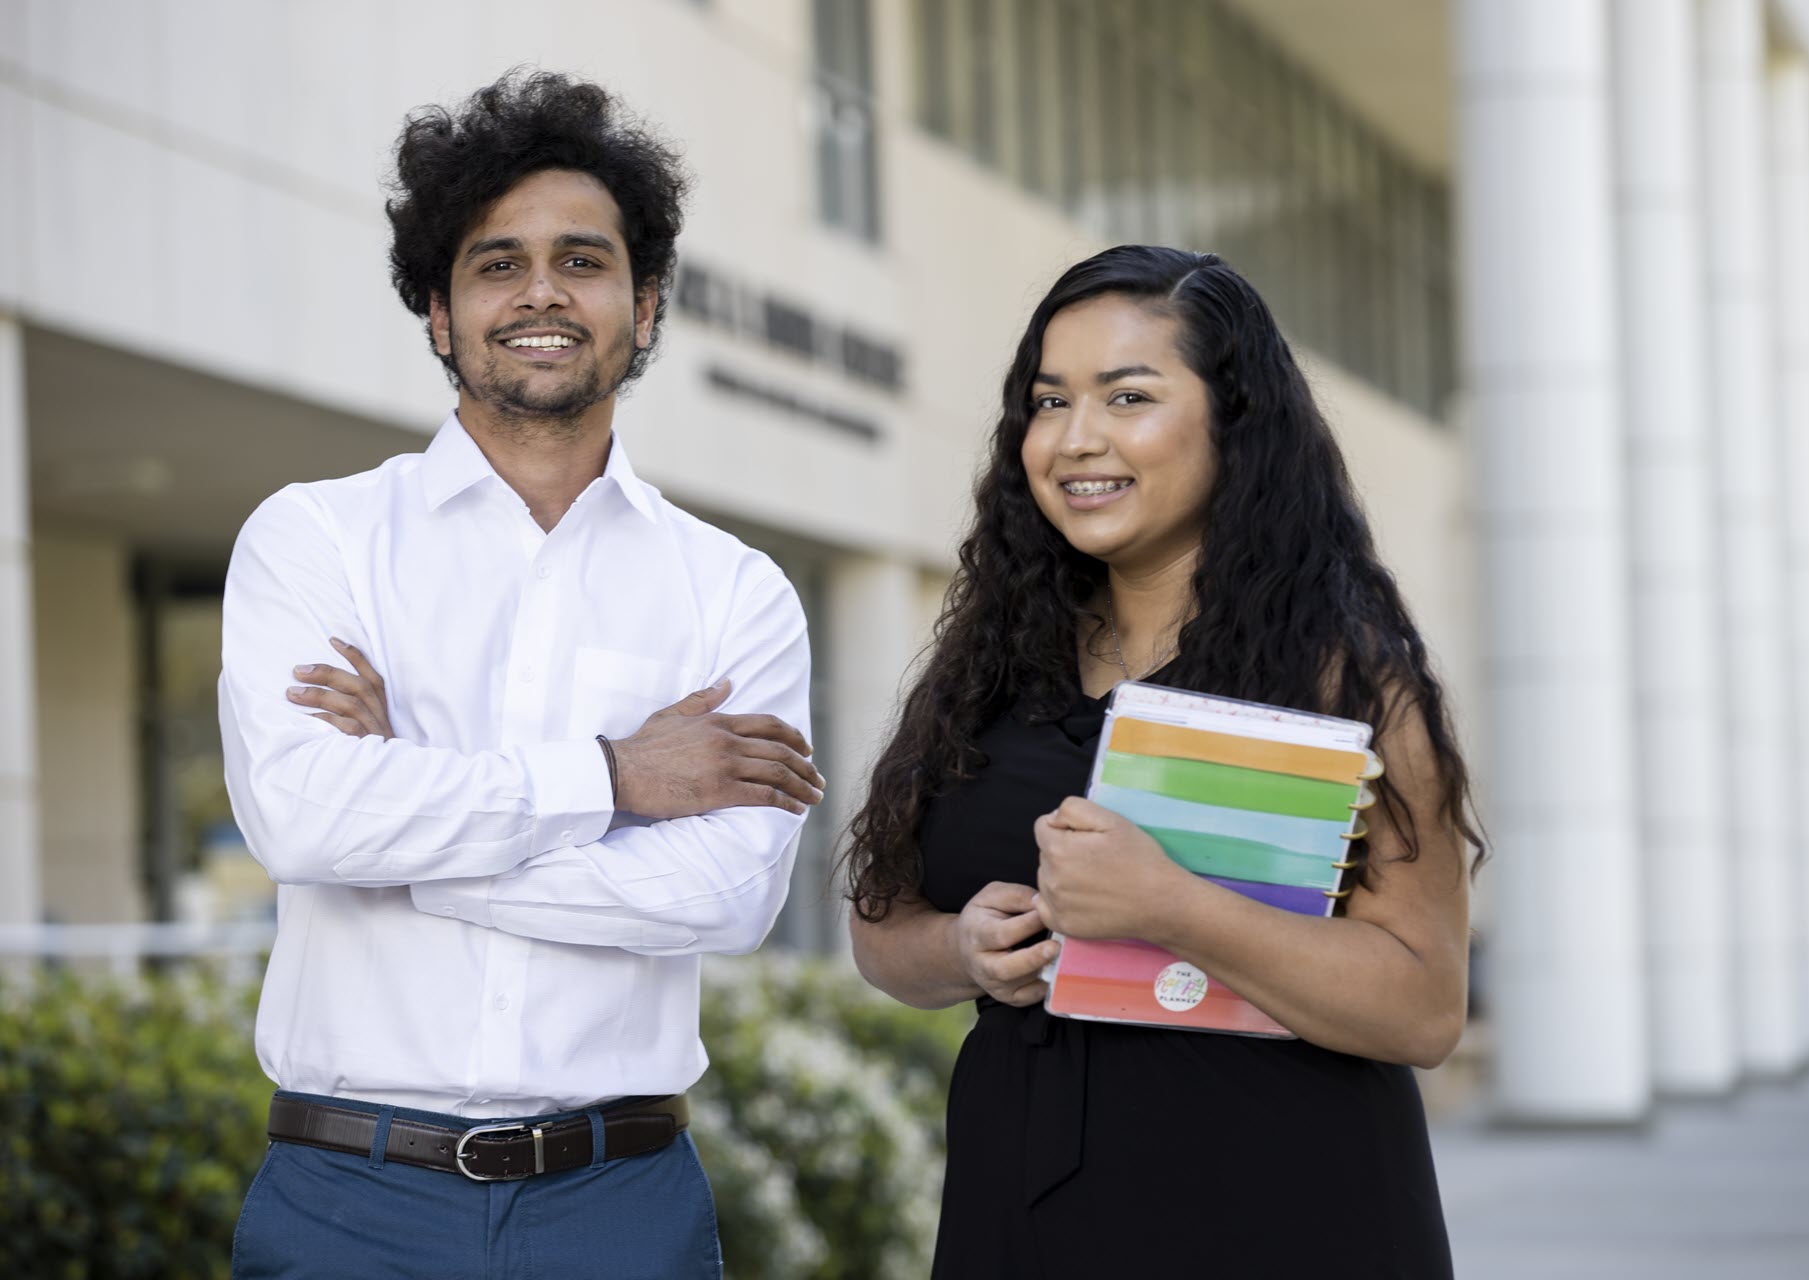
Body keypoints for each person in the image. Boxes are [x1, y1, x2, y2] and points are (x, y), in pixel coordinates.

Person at [218, 71, 823, 1279]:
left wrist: (407, 829)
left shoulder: (734, 590)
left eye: (583, 261)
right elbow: (302, 816)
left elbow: (722, 898)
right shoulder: (314, 539)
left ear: (643, 309)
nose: (541, 291)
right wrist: (616, 777)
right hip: (351, 1197)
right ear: (439, 314)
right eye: (497, 263)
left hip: (620, 1203)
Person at [842, 245, 1482, 1278]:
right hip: (1027, 1206)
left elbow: (1422, 1003)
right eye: (1049, 401)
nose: (1076, 438)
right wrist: (963, 948)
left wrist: (1167, 903)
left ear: (1234, 419)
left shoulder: (1341, 676)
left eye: (1127, 395)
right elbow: (882, 926)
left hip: (1281, 1211)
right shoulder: (994, 664)